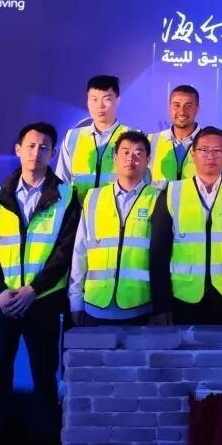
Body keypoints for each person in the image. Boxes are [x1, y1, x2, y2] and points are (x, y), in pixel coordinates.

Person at [0, 122, 80, 445]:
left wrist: (34, 290)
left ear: (53, 153)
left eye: (44, 147)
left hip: (43, 301)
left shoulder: (66, 196)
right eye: (31, 146)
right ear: (17, 149)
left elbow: (65, 251)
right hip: (3, 301)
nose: (36, 152)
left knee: (44, 377)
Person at [150, 127, 222, 326]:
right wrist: (162, 306)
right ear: (193, 155)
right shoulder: (172, 192)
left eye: (217, 151)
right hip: (182, 298)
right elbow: (158, 253)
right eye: (204, 150)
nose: (211, 156)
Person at [69, 131, 159, 326]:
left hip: (140, 305)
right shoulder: (93, 198)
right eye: (125, 152)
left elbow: (163, 257)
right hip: (95, 304)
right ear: (115, 157)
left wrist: (160, 306)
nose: (131, 158)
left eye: (138, 153)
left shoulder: (158, 199)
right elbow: (80, 251)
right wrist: (75, 299)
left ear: (148, 161)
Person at [54, 75, 135, 199]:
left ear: (117, 101)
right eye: (94, 99)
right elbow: (62, 180)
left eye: (106, 99)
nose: (100, 105)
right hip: (79, 209)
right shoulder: (73, 137)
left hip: (116, 208)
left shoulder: (132, 137)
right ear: (87, 101)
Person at [148, 85, 203, 188]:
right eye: (176, 105)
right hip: (158, 198)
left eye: (188, 106)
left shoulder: (209, 142)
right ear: (169, 108)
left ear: (197, 109)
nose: (182, 111)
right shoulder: (151, 141)